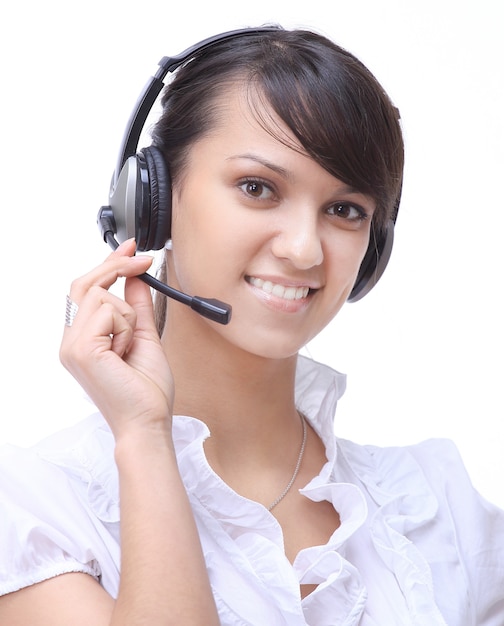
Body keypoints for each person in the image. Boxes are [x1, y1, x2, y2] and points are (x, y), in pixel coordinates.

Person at [0, 25, 502, 626]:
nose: (303, 249)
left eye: (345, 210)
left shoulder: (437, 510)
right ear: (153, 202)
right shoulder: (41, 512)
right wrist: (143, 437)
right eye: (257, 188)